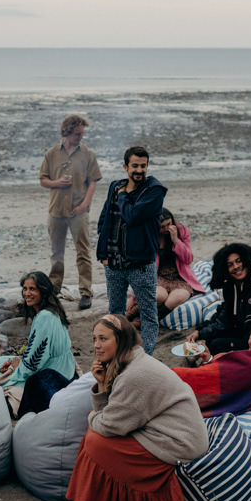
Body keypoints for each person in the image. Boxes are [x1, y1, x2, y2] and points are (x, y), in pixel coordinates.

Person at [44, 315, 209, 501]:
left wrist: (93, 415)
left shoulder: (136, 374)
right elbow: (111, 419)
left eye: (103, 339)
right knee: (94, 436)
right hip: (164, 434)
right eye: (94, 339)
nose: (96, 345)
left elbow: (109, 425)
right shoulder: (131, 363)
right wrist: (102, 387)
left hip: (178, 444)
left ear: (121, 340)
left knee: (95, 442)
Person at [96, 146, 167, 355]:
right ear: (125, 166)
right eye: (135, 165)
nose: (139, 170)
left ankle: (146, 357)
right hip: (114, 264)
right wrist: (103, 253)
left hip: (141, 266)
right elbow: (105, 217)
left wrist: (124, 196)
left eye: (143, 166)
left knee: (148, 315)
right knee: (116, 313)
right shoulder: (115, 186)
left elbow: (133, 216)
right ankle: (118, 353)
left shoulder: (154, 191)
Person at [39, 114, 103, 310]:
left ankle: (85, 292)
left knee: (83, 251)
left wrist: (85, 204)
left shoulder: (88, 154)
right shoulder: (51, 154)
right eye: (77, 134)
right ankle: (55, 288)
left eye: (82, 133)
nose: (80, 137)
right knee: (56, 253)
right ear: (67, 132)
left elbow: (93, 181)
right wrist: (56, 183)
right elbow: (43, 180)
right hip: (56, 210)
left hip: (78, 210)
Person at [0, 271, 77, 418]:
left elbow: (33, 363)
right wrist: (17, 361)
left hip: (53, 373)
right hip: (64, 367)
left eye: (32, 289)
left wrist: (15, 368)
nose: (27, 293)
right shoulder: (53, 311)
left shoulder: (45, 317)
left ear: (43, 291)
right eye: (25, 289)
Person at [175, 317, 251, 417]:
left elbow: (216, 379)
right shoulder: (249, 357)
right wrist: (208, 358)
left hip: (203, 397)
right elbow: (220, 372)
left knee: (170, 378)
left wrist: (175, 374)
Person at [187, 243, 251, 355]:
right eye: (230, 264)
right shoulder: (231, 287)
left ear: (247, 260)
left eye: (238, 261)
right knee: (211, 341)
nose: (236, 267)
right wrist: (199, 332)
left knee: (216, 344)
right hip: (242, 332)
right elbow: (225, 319)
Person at [126, 208, 206, 326]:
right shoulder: (148, 237)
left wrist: (176, 241)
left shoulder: (182, 231)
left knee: (177, 298)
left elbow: (188, 259)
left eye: (169, 224)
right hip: (159, 277)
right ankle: (132, 313)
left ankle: (145, 321)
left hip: (180, 279)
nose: (166, 229)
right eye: (162, 227)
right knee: (158, 296)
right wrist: (134, 296)